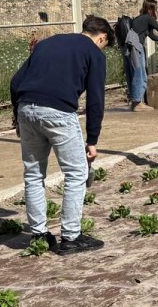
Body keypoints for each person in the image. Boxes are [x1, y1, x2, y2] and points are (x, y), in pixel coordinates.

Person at [10, 16, 113, 255]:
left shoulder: (47, 43)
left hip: (27, 108)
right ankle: (71, 237)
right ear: (102, 37)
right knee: (77, 173)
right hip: (59, 113)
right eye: (104, 44)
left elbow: (16, 81)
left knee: (34, 174)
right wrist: (93, 140)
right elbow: (96, 100)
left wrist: (18, 116)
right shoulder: (95, 53)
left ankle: (39, 235)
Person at [124, 0, 158, 111]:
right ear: (151, 9)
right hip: (136, 46)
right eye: (156, 8)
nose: (157, 10)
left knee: (135, 73)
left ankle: (135, 102)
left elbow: (153, 36)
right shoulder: (148, 18)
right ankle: (137, 102)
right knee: (139, 74)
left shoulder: (140, 19)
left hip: (130, 46)